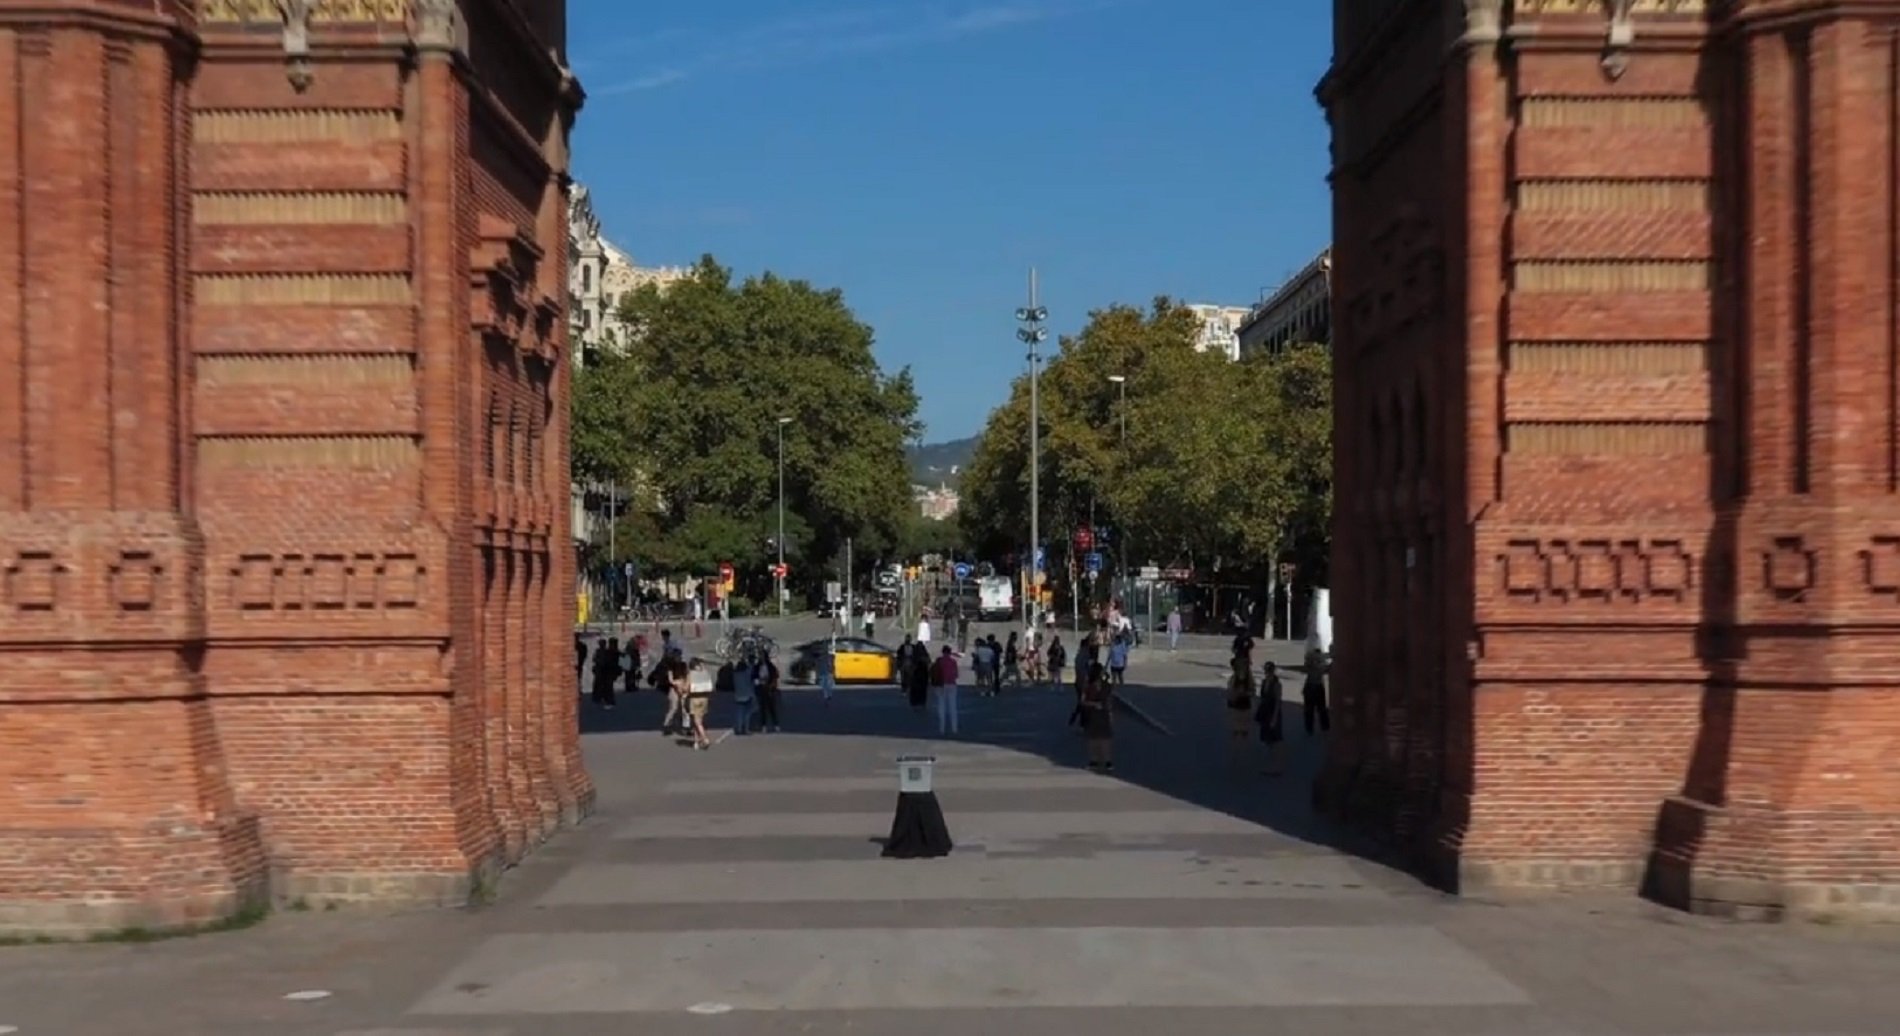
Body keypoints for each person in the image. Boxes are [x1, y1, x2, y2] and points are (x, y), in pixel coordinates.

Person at [1079, 662, 1115, 772]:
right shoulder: (1090, 686)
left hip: (1099, 714)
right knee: (1097, 739)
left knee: (1101, 739)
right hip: (1096, 714)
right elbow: (1083, 701)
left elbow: (1083, 701)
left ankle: (1103, 761)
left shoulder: (1099, 685)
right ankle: (1099, 761)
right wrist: (1096, 705)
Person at [1258, 660, 1286, 775]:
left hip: (1273, 712)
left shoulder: (1276, 684)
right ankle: (1272, 764)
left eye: (1269, 670)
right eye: (1266, 670)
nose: (1267, 672)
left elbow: (1278, 702)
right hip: (1265, 712)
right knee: (1267, 739)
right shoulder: (1264, 682)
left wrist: (1274, 717)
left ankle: (1278, 765)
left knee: (1276, 739)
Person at [1226, 656, 1255, 763]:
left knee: (1243, 730)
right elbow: (1229, 693)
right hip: (1236, 705)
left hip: (1244, 705)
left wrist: (1245, 693)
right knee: (1236, 730)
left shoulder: (1248, 679)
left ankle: (1242, 752)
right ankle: (1237, 752)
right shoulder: (1234, 679)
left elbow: (1252, 691)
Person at [930, 645, 961, 735]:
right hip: (951, 684)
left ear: (942, 652)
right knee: (953, 707)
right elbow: (956, 675)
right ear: (950, 652)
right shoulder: (953, 662)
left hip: (940, 685)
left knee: (941, 706)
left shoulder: (939, 662)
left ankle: (942, 728)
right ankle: (954, 728)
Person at [685, 657, 714, 750]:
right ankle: (696, 742)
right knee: (699, 720)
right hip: (704, 698)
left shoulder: (691, 674)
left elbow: (686, 688)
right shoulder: (705, 673)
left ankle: (705, 739)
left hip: (694, 698)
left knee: (696, 721)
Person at [1302, 646, 1332, 735]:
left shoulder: (1311, 663)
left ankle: (1311, 728)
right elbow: (1326, 667)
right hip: (1316, 687)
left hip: (1311, 687)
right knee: (1320, 708)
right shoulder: (1316, 665)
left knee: (1311, 709)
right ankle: (1324, 727)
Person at [590, 636, 621, 709]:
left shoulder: (614, 653)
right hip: (604, 671)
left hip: (608, 671)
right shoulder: (606, 652)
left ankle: (607, 699)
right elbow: (596, 660)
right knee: (603, 685)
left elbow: (625, 663)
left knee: (607, 686)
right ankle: (601, 698)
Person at [731, 653, 758, 736]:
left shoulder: (735, 675)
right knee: (748, 713)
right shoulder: (747, 673)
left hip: (738, 695)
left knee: (739, 713)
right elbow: (752, 669)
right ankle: (746, 729)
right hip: (747, 695)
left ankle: (739, 728)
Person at [757, 652, 783, 732]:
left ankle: (776, 725)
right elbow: (754, 676)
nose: (761, 658)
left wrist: (771, 684)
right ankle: (763, 725)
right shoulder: (758, 666)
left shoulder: (770, 666)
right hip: (761, 688)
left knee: (771, 708)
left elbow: (775, 675)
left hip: (769, 689)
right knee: (763, 709)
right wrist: (758, 681)